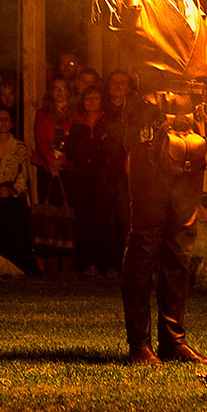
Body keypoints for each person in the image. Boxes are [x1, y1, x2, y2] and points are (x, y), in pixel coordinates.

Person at [27, 0, 207, 365]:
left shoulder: (190, 1)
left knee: (180, 242)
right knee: (146, 240)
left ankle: (173, 340)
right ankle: (140, 344)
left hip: (192, 135)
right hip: (152, 135)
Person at [65, 85, 127, 278]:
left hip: (104, 179)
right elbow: (71, 150)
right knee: (85, 221)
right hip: (82, 179)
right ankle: (90, 262)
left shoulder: (109, 122)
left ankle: (110, 263)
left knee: (105, 221)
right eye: (88, 98)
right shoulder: (77, 124)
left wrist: (97, 148)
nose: (91, 101)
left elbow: (114, 149)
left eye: (95, 98)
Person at [0, 107, 41, 276]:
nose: (3, 122)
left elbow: (22, 175)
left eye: (6, 119)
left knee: (16, 214)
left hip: (11, 192)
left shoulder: (20, 147)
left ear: (11, 124)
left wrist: (12, 190)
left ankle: (20, 264)